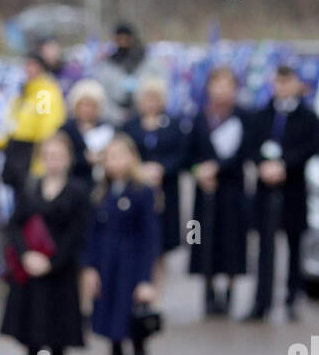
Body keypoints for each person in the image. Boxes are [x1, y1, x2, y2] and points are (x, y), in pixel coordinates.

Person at [0, 131, 90, 355]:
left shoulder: (78, 191)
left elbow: (79, 234)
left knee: (58, 340)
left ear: (68, 159)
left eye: (58, 156)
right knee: (33, 339)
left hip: (60, 278)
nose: (53, 161)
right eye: (48, 155)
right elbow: (14, 226)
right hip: (31, 279)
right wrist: (27, 255)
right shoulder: (30, 188)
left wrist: (52, 262)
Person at [83, 134, 160, 355]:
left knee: (136, 336)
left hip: (131, 271)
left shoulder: (143, 192)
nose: (114, 161)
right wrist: (90, 268)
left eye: (120, 155)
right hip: (108, 271)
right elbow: (92, 234)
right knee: (113, 338)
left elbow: (150, 237)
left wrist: (145, 280)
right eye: (110, 156)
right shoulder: (101, 192)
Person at [245, 64, 319, 322]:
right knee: (264, 246)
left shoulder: (307, 116)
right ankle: (261, 301)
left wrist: (286, 164)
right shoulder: (262, 114)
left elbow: (311, 145)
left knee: (293, 244)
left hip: (292, 187)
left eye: (287, 82)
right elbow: (251, 144)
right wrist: (262, 166)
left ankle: (290, 299)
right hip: (266, 188)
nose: (282, 87)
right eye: (279, 82)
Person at [184, 66, 250, 317]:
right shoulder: (200, 118)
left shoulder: (244, 116)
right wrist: (198, 171)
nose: (222, 90)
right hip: (205, 192)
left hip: (233, 190)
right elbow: (188, 154)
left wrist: (218, 167)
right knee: (202, 239)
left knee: (233, 240)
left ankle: (231, 289)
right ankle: (208, 289)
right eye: (217, 84)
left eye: (227, 84)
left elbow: (246, 151)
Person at [123, 76, 186, 262]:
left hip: (166, 186)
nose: (150, 103)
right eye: (147, 98)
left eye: (155, 98)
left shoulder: (173, 125)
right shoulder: (130, 125)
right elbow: (124, 149)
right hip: (136, 186)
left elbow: (182, 153)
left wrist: (161, 168)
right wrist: (140, 170)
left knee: (161, 241)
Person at [0, 50, 66, 192]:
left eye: (33, 65)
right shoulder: (24, 93)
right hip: (14, 154)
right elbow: (11, 126)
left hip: (28, 155)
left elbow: (46, 129)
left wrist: (40, 163)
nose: (28, 69)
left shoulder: (43, 93)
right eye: (27, 65)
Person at [94, 22, 161, 127]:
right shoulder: (107, 65)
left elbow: (159, 89)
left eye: (126, 38)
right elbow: (101, 94)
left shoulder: (148, 63)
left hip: (145, 117)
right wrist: (117, 115)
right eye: (120, 38)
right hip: (114, 118)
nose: (123, 42)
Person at [60, 80, 114, 189]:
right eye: (83, 105)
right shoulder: (67, 129)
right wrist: (86, 159)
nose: (87, 109)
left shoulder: (106, 128)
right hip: (73, 180)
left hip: (101, 183)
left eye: (91, 105)